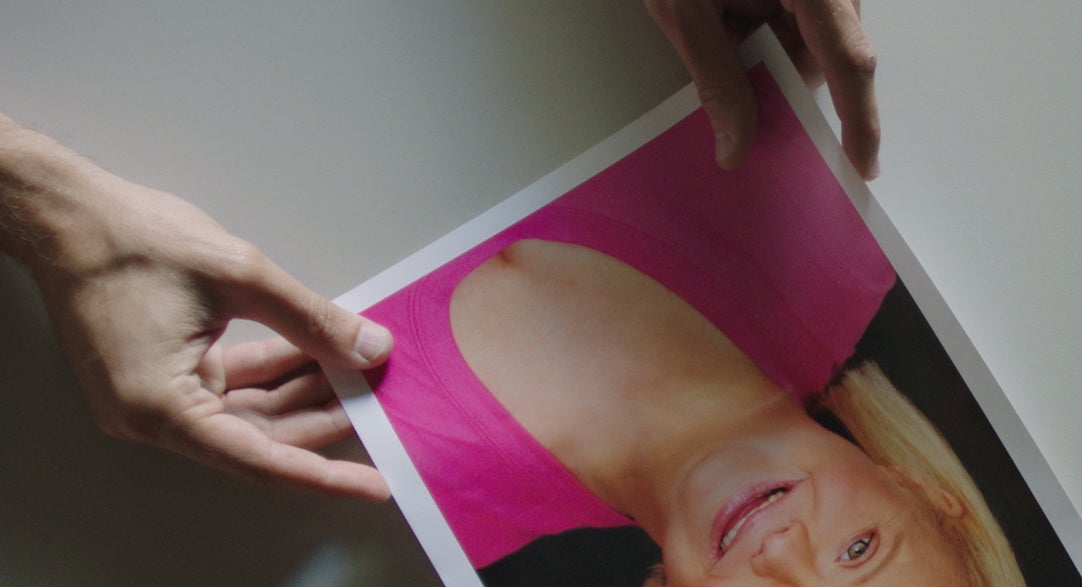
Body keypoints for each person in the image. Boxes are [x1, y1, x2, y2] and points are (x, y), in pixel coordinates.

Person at [366, 68, 1041, 587]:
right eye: (859, 549)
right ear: (918, 488)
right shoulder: (842, 219)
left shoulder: (432, 512)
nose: (782, 551)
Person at [0, 0, 880, 501]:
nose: (787, 557)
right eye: (863, 547)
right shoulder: (826, 261)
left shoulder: (484, 479)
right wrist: (43, 203)